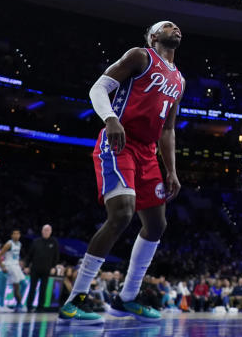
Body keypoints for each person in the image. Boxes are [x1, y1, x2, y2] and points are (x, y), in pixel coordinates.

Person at [57, 21, 185, 325]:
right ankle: (76, 299)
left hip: (148, 153)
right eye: (169, 25)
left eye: (178, 26)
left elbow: (168, 129)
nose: (176, 27)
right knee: (123, 214)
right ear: (154, 36)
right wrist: (111, 118)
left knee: (156, 225)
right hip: (120, 142)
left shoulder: (179, 79)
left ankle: (126, 298)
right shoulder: (140, 56)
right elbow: (98, 88)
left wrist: (172, 170)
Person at [27, 224, 60, 312]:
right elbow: (30, 255)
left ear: (51, 232)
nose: (46, 232)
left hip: (46, 269)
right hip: (35, 268)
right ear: (42, 231)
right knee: (32, 288)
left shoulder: (54, 242)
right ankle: (29, 306)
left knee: (43, 288)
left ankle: (40, 307)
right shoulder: (36, 241)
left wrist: (54, 267)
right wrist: (27, 266)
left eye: (48, 230)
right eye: (45, 230)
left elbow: (56, 256)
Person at [0, 229, 25, 312]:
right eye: (14, 234)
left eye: (18, 233)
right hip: (10, 266)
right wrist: (2, 267)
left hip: (16, 266)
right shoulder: (9, 244)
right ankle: (19, 305)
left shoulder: (19, 244)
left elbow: (16, 256)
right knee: (16, 287)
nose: (16, 235)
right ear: (11, 235)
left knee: (24, 284)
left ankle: (18, 302)